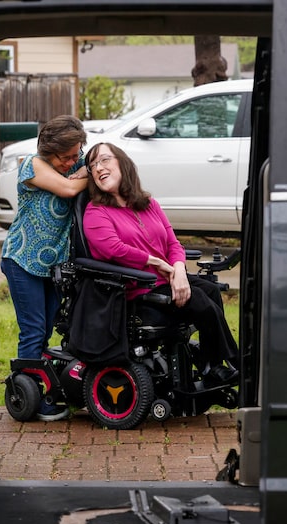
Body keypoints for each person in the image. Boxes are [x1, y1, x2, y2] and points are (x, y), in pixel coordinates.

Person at [81, 142, 240, 386]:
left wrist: (179, 270)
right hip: (136, 288)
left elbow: (173, 244)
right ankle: (232, 365)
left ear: (122, 163)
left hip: (163, 279)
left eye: (104, 160)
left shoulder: (148, 204)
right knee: (199, 301)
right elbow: (111, 248)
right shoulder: (96, 212)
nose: (98, 168)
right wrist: (155, 262)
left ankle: (212, 364)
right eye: (92, 165)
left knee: (209, 289)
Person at [1, 115, 88, 421]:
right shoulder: (32, 165)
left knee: (48, 326)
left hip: (50, 266)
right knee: (34, 329)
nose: (72, 162)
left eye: (77, 155)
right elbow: (67, 190)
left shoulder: (74, 167)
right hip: (22, 260)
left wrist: (85, 169)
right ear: (49, 151)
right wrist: (84, 175)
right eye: (65, 157)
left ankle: (41, 388)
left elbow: (86, 173)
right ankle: (29, 395)